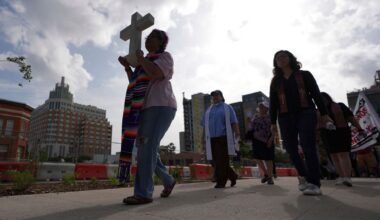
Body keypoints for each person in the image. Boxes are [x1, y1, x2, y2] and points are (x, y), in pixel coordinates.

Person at [118, 29, 177, 205]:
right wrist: (128, 67)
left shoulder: (165, 57)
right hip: (144, 109)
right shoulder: (144, 63)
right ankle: (168, 180)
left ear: (161, 42)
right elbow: (134, 82)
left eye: (152, 38)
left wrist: (141, 59)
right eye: (147, 38)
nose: (147, 40)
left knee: (147, 147)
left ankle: (143, 193)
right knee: (147, 148)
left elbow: (156, 74)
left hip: (161, 106)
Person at [269, 50, 332, 196]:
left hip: (305, 113)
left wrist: (324, 114)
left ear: (291, 59)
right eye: (278, 58)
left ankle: (314, 183)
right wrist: (272, 123)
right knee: (291, 149)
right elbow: (273, 103)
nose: (281, 59)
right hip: (284, 117)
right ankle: (303, 175)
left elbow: (316, 94)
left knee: (308, 146)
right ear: (275, 63)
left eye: (284, 56)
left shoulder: (305, 75)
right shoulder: (275, 81)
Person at [319, 92, 364, 187]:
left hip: (341, 132)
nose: (322, 100)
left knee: (343, 154)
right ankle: (341, 176)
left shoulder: (340, 106)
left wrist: (359, 128)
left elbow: (351, 118)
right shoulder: (318, 111)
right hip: (327, 134)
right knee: (334, 156)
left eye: (323, 98)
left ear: (328, 98)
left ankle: (347, 177)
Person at [201, 90, 239, 188]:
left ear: (222, 97)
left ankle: (221, 182)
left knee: (221, 161)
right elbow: (205, 126)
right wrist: (203, 139)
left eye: (217, 95)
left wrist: (237, 132)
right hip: (211, 140)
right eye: (213, 96)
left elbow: (234, 121)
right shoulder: (208, 110)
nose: (215, 97)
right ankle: (233, 176)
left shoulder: (227, 108)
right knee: (217, 161)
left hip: (223, 138)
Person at [246, 101, 275, 185]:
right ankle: (266, 174)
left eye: (263, 107)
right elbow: (251, 127)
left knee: (268, 159)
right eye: (260, 107)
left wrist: (271, 139)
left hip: (267, 140)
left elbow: (274, 129)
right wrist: (249, 122)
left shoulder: (271, 117)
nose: (261, 108)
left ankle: (270, 177)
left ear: (267, 108)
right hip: (256, 140)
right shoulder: (255, 116)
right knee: (257, 158)